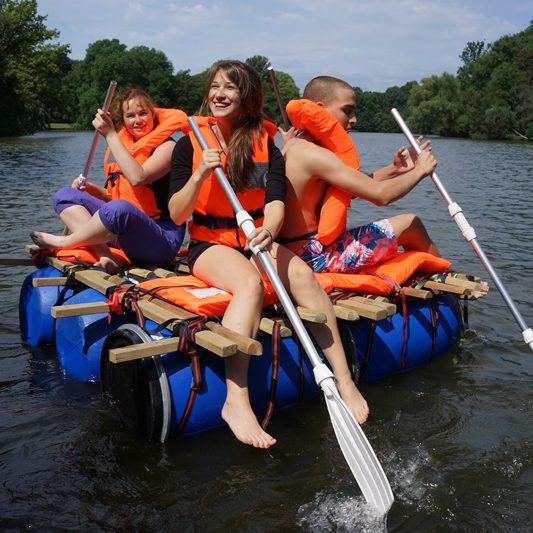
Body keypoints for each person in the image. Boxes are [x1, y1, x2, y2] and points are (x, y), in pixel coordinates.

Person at [168, 60, 370, 449]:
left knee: (303, 277)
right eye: (214, 87)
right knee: (248, 284)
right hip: (209, 245)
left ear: (248, 98)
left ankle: (344, 381)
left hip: (253, 238)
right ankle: (236, 401)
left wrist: (268, 232)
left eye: (230, 88)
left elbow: (275, 203)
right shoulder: (189, 143)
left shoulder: (265, 145)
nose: (219, 94)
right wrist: (200, 175)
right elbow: (177, 212)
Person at [278, 75, 440, 273]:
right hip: (312, 257)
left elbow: (354, 186)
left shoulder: (298, 146)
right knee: (412, 224)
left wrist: (395, 169)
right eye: (347, 111)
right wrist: (420, 171)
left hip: (298, 250)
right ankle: (443, 280)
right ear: (319, 108)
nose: (354, 120)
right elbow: (381, 195)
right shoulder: (312, 154)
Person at [30, 88, 186, 273]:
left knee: (118, 210)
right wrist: (89, 189)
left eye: (143, 113)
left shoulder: (168, 147)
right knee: (65, 195)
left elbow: (138, 178)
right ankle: (105, 255)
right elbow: (114, 197)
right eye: (131, 116)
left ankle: (64, 241)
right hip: (125, 229)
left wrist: (110, 135)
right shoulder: (125, 147)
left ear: (153, 114)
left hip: (160, 241)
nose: (138, 120)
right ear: (124, 120)